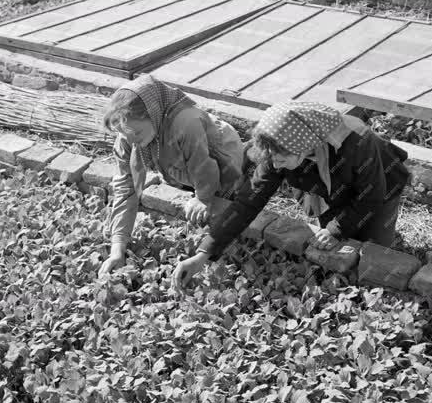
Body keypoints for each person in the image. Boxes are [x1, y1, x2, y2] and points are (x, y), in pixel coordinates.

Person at [172, 102, 410, 290]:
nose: (275, 165)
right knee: (334, 245)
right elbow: (247, 202)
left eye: (281, 159)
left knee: (374, 253)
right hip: (331, 188)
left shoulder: (356, 142)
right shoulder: (276, 149)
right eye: (271, 159)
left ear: (304, 146)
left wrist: (337, 229)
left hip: (380, 188)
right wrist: (204, 253)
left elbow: (371, 196)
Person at [98, 75, 245, 277]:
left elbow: (205, 165)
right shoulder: (130, 136)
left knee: (222, 200)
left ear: (154, 113)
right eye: (126, 136)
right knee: (183, 175)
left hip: (221, 152)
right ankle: (189, 183)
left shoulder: (186, 123)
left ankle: (229, 185)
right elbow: (125, 188)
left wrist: (203, 197)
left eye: (137, 134)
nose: (132, 142)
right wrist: (117, 248)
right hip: (180, 160)